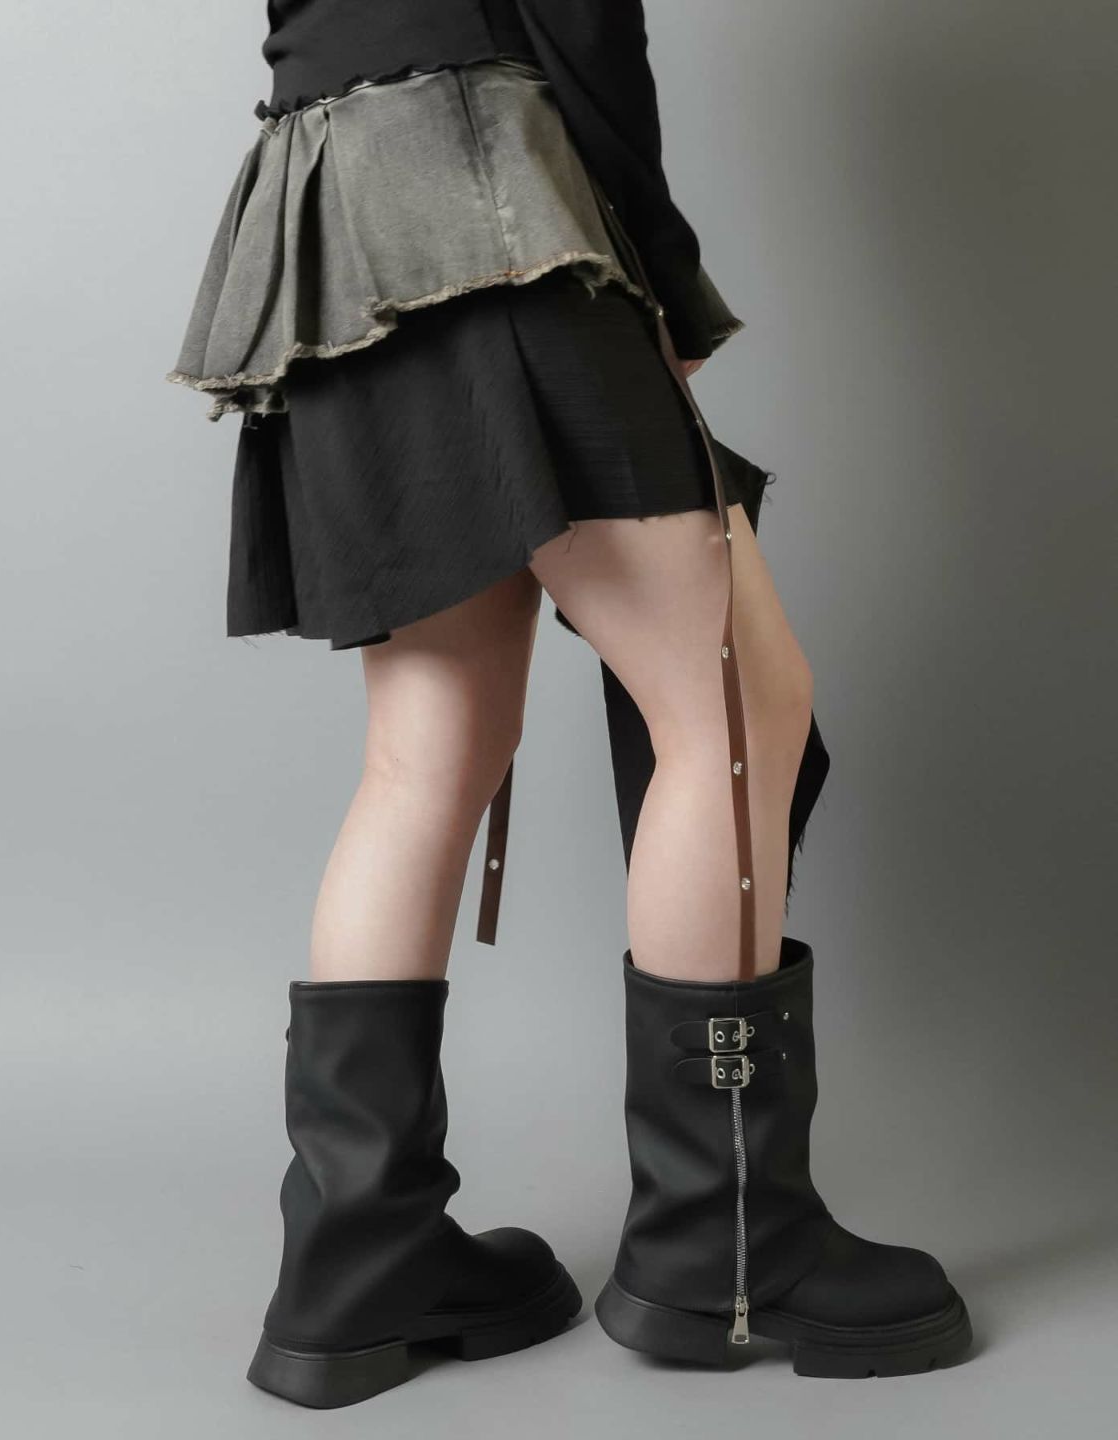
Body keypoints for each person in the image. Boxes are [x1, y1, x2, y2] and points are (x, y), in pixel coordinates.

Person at [166, 0, 973, 1409]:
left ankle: (358, 1269)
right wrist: (656, 266)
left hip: (325, 212)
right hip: (488, 192)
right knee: (732, 708)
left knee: (427, 752)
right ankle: (727, 1249)